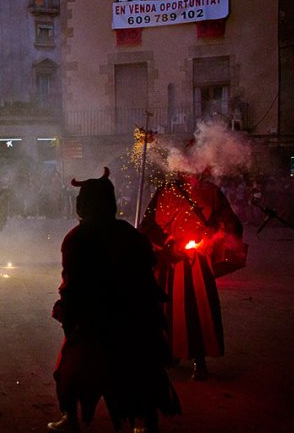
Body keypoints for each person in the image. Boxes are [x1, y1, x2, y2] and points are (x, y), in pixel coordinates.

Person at [49, 168, 180, 433]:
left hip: (98, 319)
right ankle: (139, 422)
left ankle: (74, 419)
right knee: (134, 369)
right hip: (129, 315)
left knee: (73, 370)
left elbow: (73, 284)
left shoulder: (78, 237)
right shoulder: (127, 234)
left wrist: (69, 310)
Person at [139, 169, 245, 381]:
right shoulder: (165, 190)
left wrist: (212, 233)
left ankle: (199, 359)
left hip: (197, 261)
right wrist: (167, 244)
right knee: (167, 310)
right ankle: (172, 353)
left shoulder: (210, 192)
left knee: (197, 311)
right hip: (168, 261)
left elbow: (230, 223)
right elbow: (148, 226)